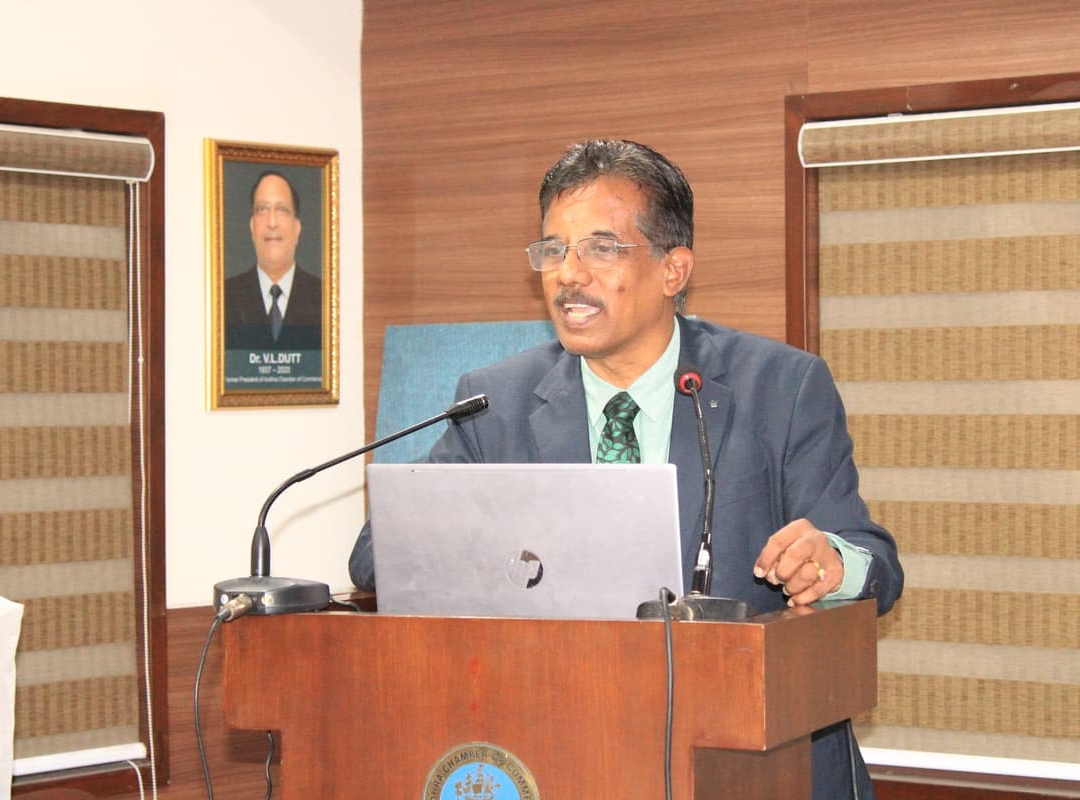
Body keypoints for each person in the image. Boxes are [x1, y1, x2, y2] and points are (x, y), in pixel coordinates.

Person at [349, 139, 903, 799]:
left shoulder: (778, 387)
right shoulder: (497, 400)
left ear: (674, 269)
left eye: (602, 248)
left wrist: (832, 563)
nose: (569, 274)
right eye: (553, 250)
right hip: (566, 751)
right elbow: (379, 556)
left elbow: (875, 564)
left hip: (756, 764)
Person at [223, 170, 322, 351]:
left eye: (282, 210)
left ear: (297, 228)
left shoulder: (324, 298)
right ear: (252, 227)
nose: (272, 222)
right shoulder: (224, 298)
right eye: (262, 209)